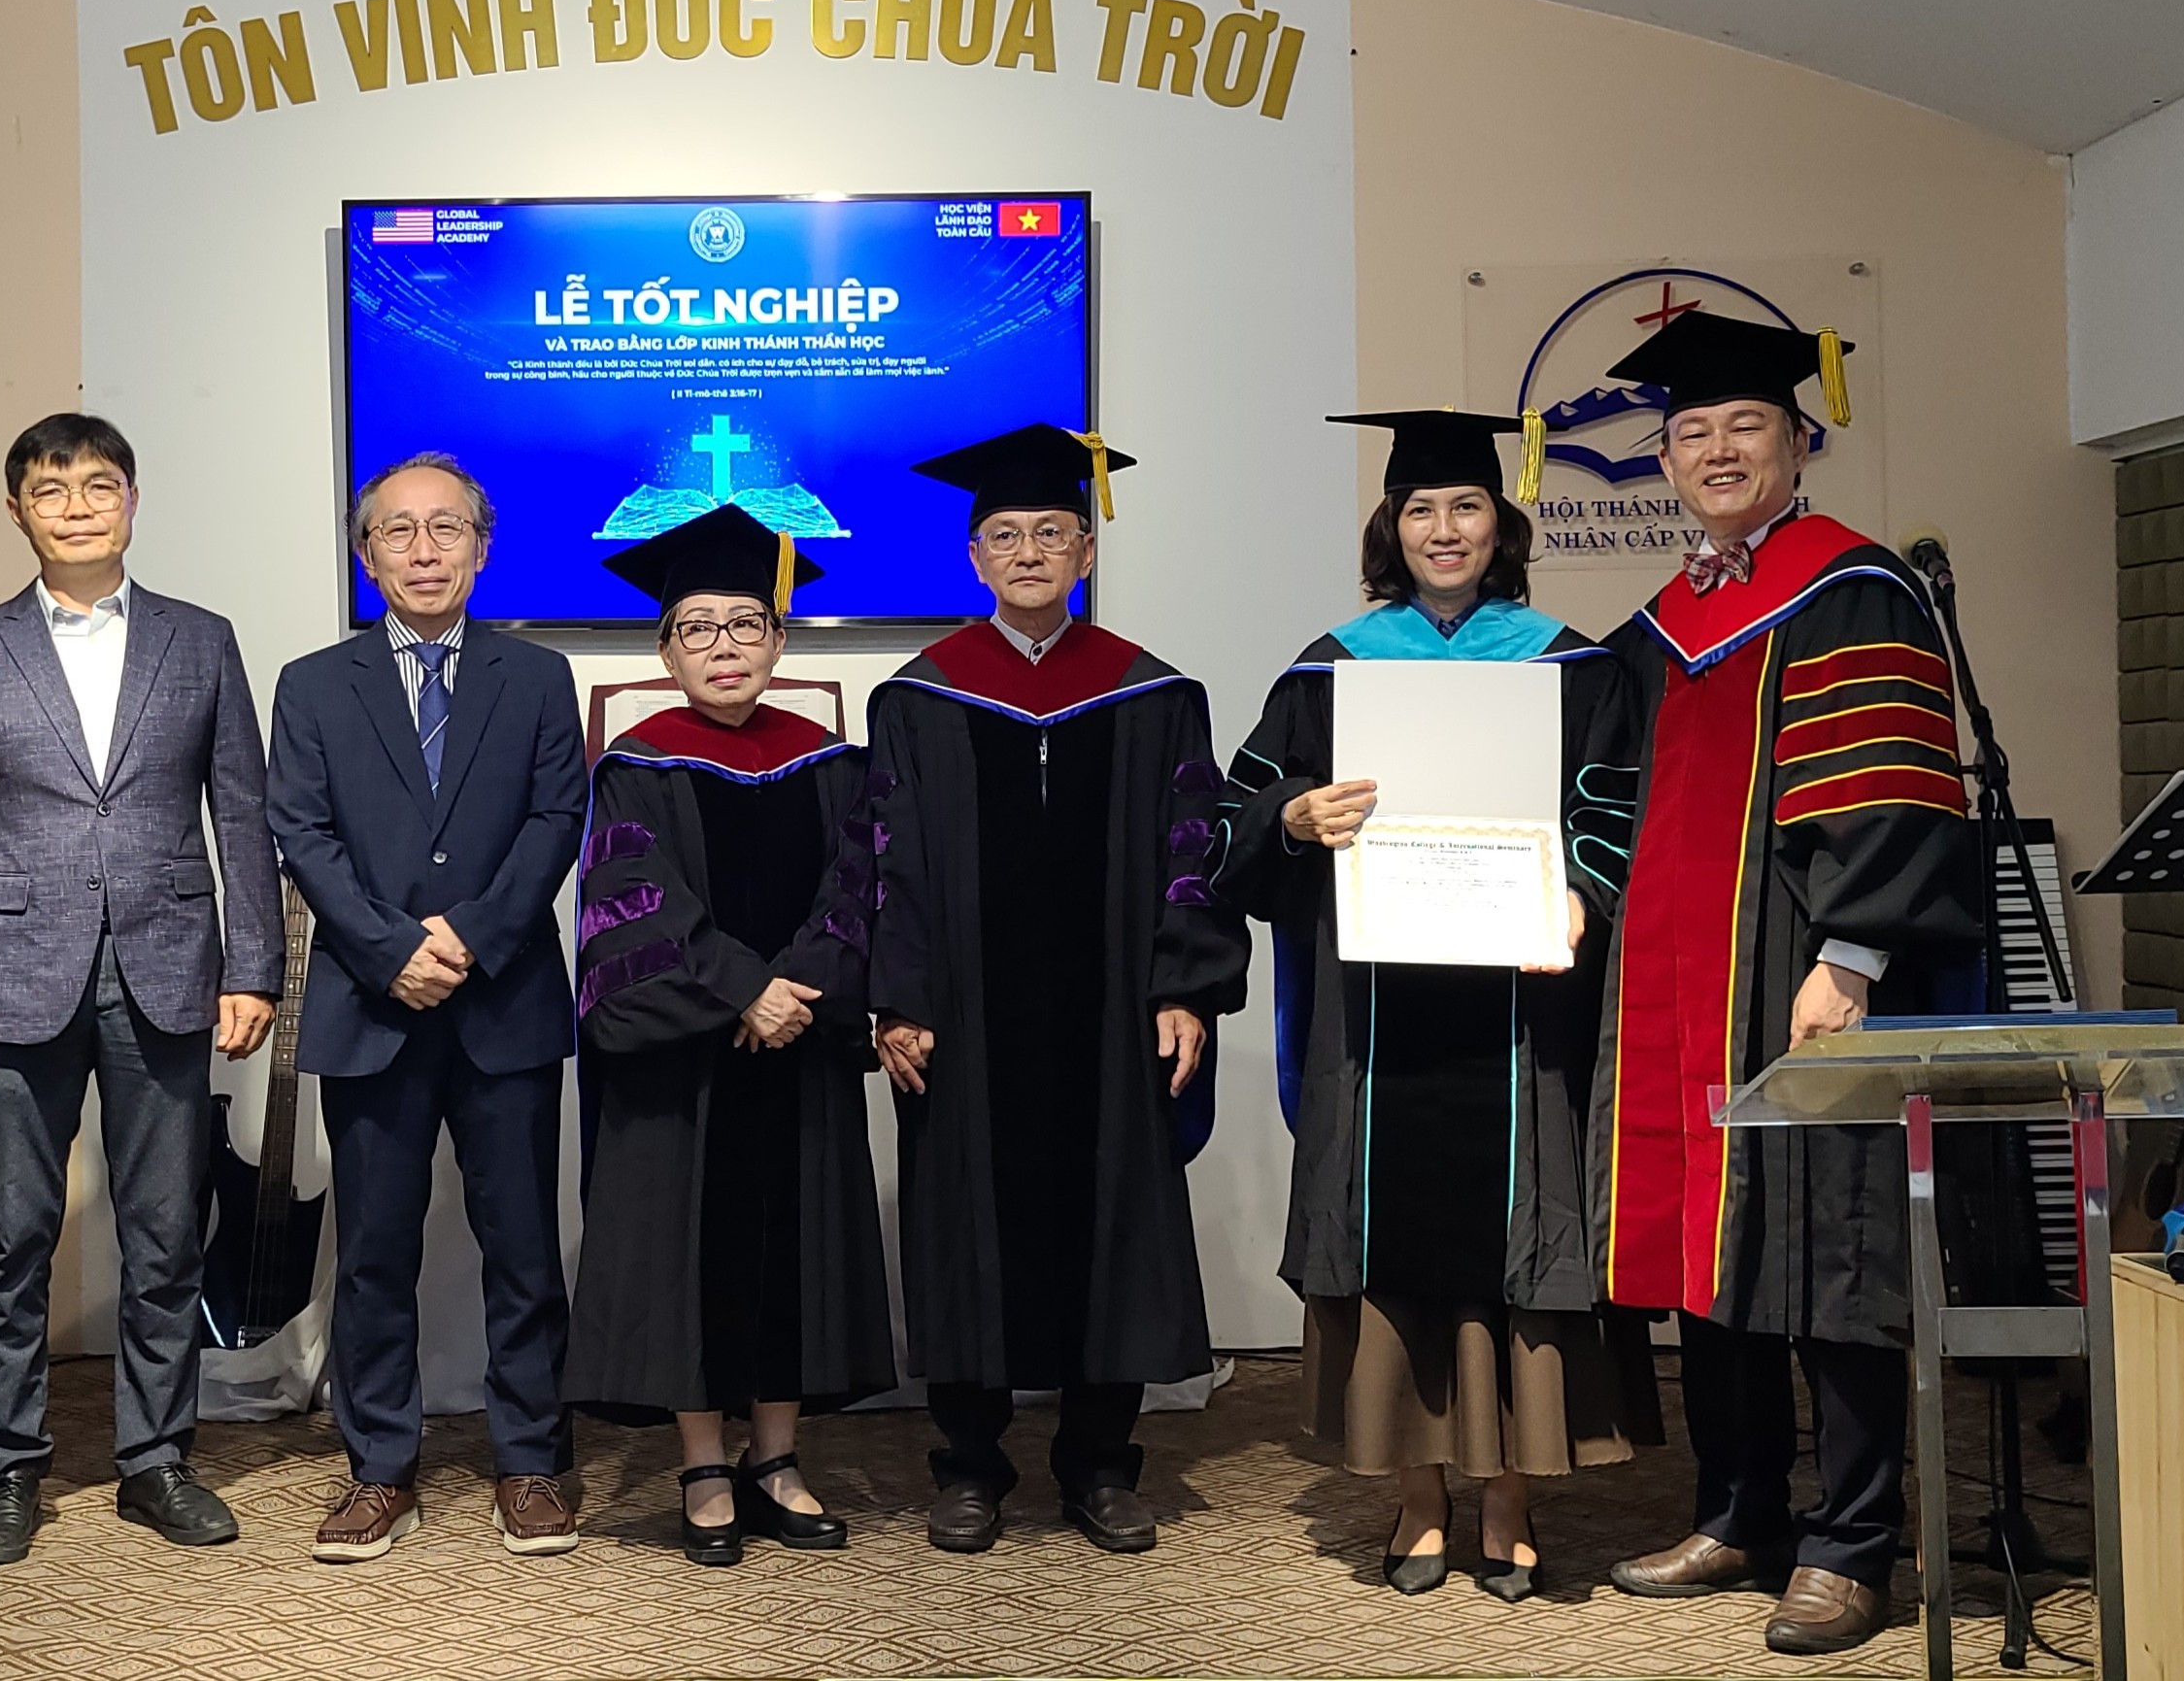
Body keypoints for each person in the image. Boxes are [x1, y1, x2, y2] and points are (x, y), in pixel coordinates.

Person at [1584, 313, 1981, 1656]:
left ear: (1799, 440)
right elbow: (1601, 793)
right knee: (1714, 1252)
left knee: (1831, 1250)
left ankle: (1851, 1541)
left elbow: (1892, 785)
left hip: (1801, 978)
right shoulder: (1659, 625)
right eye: (1689, 432)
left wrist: (1847, 956)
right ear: (1662, 460)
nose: (1715, 450)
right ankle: (1738, 1508)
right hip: (1673, 987)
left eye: (1742, 425)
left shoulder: (1853, 587)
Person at [1216, 410, 1656, 1602]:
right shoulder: (1330, 666)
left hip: (1522, 1013)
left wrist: (1580, 891)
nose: (1443, 529)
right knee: (1394, 1240)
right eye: (1420, 509)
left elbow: (1620, 808)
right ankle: (1416, 1497)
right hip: (1376, 1016)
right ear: (1391, 528)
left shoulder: (1572, 665)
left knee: (1512, 1241)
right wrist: (1292, 816)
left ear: (1499, 524)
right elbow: (1231, 815)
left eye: (1465, 506)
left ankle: (1508, 1500)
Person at [862, 424, 1250, 1556]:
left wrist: (1183, 984)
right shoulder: (921, 695)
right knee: (961, 1219)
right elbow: (885, 856)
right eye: (1004, 534)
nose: (1027, 551)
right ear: (973, 556)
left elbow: (1192, 843)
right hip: (964, 1016)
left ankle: (1099, 1462)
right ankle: (968, 1463)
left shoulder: (1150, 691)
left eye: (1049, 531)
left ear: (1085, 549)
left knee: (1113, 1219)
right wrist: (897, 997)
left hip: (1111, 1013)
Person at [0, 413, 282, 1566]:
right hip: (14, 974)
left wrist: (254, 964)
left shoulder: (200, 639)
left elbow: (243, 812)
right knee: (12, 1232)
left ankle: (156, 1459)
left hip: (169, 967)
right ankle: (5, 1469)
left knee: (165, 1233)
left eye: (99, 485)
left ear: (132, 499)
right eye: (51, 488)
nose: (76, 506)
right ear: (16, 509)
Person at [558, 506, 898, 1565]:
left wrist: (798, 990)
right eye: (697, 627)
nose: (723, 646)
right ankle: (704, 1461)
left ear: (779, 640)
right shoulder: (635, 766)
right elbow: (636, 903)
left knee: (794, 1245)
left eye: (746, 624)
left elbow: (856, 889)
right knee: (685, 1252)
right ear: (665, 650)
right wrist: (746, 989)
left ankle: (777, 1456)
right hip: (685, 1062)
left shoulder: (830, 762)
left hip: (796, 1048)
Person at [265, 453, 587, 1562]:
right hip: (372, 1004)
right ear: (368, 554)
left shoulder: (536, 677)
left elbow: (555, 819)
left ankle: (530, 1459)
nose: (422, 549)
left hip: (506, 999)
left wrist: (472, 936)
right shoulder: (313, 683)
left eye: (445, 527)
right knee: (372, 1253)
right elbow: (300, 831)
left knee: (524, 1245)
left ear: (481, 547)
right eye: (397, 530)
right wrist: (391, 947)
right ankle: (378, 1468)